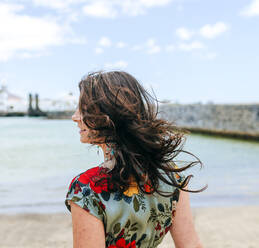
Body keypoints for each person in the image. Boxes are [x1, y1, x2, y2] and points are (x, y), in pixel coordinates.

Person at [65, 71, 205, 248]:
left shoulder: (87, 189)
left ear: (107, 115)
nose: (75, 117)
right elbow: (191, 245)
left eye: (83, 109)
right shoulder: (171, 176)